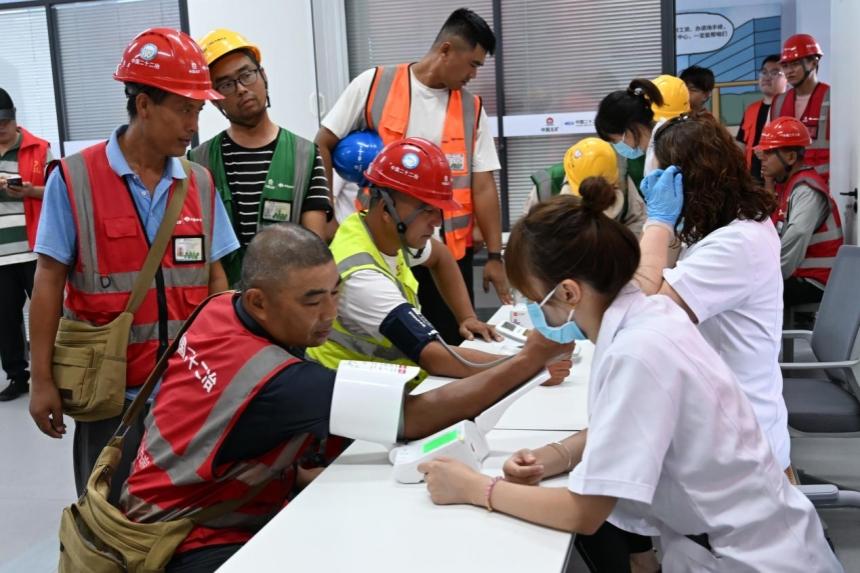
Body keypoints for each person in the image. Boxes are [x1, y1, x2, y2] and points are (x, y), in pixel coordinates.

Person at [417, 188, 840, 572]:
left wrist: (475, 488)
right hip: (742, 539)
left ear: (568, 293)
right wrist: (554, 456)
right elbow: (632, 422)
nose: (534, 312)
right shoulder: (649, 317)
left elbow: (584, 513)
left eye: (533, 299)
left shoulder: (638, 350)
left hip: (750, 559)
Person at [120, 223, 574, 572]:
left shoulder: (220, 307)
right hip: (187, 538)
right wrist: (529, 359)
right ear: (258, 301)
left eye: (335, 293)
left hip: (161, 501)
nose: (330, 313)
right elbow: (414, 417)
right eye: (312, 301)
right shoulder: (277, 380)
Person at [27, 28, 239, 502]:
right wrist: (41, 379)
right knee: (108, 515)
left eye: (198, 111)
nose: (193, 125)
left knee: (184, 513)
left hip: (186, 391)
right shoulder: (75, 179)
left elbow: (216, 281)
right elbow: (48, 283)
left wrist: (226, 365)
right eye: (184, 110)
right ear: (144, 105)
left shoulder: (200, 184)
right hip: (109, 396)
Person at [316, 8, 511, 346]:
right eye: (472, 64)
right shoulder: (375, 85)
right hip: (383, 246)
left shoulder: (471, 109)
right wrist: (326, 212)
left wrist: (494, 256)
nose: (473, 75)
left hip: (444, 255)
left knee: (454, 341)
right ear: (446, 49)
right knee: (395, 344)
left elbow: (482, 184)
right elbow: (323, 143)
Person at [308, 138, 565, 383]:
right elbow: (432, 355)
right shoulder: (362, 276)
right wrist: (527, 366)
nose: (437, 222)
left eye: (439, 211)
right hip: (357, 398)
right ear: (386, 209)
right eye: (427, 210)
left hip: (391, 384)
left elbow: (441, 256)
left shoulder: (380, 233)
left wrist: (467, 317)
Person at [635, 113, 791, 476]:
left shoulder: (736, 243)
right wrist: (667, 225)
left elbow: (642, 316)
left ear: (689, 181)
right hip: (723, 421)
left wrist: (657, 222)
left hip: (740, 448)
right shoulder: (731, 224)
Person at [190, 29, 333, 286]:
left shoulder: (306, 155)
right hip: (224, 300)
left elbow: (314, 246)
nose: (241, 89)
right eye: (226, 84)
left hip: (288, 297)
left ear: (263, 76)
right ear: (214, 100)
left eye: (247, 75)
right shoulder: (198, 162)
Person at [755, 116, 843, 309]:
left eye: (769, 153)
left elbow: (797, 235)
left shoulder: (806, 190)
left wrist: (765, 276)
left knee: (748, 294)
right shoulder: (788, 185)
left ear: (791, 157)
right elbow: (770, 227)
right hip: (800, 275)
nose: (763, 158)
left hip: (815, 281)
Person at [0, 88, 52, 401]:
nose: (1, 129)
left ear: (14, 118)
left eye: (5, 122)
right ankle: (17, 377)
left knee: (50, 315)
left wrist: (30, 191)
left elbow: (60, 190)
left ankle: (59, 371)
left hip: (36, 250)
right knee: (5, 320)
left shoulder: (39, 149)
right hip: (1, 256)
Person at [524, 137, 646, 236]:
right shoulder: (547, 185)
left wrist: (620, 247)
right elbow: (528, 231)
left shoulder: (622, 180)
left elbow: (638, 220)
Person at [594, 76, 690, 175]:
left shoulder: (663, 156)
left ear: (629, 127)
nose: (618, 147)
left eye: (615, 141)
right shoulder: (661, 149)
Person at [770, 33, 830, 182]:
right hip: (787, 188)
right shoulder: (778, 102)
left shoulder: (833, 98)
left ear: (813, 63)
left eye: (795, 64)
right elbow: (771, 151)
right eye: (785, 66)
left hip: (825, 187)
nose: (789, 71)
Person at [736, 55, 788, 182]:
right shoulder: (751, 109)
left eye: (774, 73)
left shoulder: (790, 107)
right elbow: (740, 145)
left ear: (787, 78)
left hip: (782, 180)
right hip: (753, 179)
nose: (767, 77)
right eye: (764, 72)